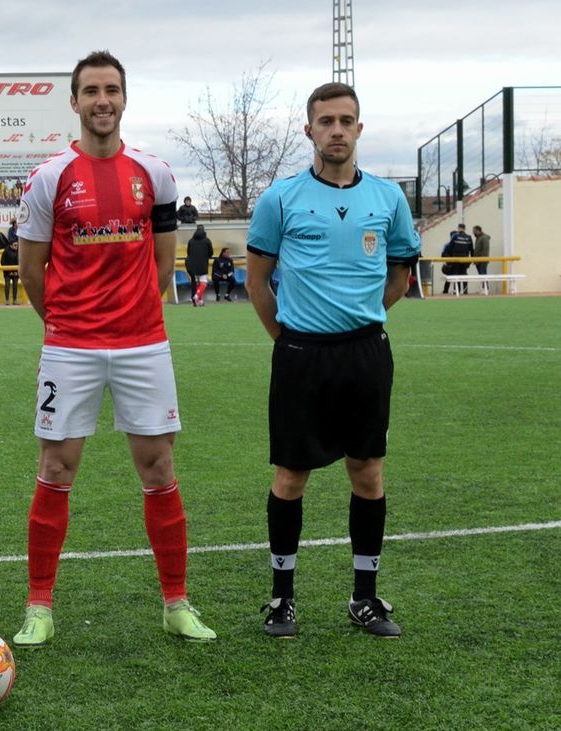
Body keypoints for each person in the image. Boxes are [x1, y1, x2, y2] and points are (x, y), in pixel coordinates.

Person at [11, 50, 216, 649]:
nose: (103, 101)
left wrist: (133, 320)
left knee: (158, 467)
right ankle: (39, 606)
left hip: (143, 345)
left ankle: (176, 603)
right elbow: (31, 271)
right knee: (56, 469)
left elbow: (161, 263)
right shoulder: (49, 177)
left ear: (124, 99)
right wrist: (70, 324)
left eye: (112, 90)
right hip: (70, 346)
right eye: (91, 91)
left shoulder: (155, 174)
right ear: (74, 102)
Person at [245, 81, 419, 639]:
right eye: (326, 121)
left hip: (366, 353)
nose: (336, 130)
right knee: (291, 475)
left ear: (359, 129)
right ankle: (282, 598)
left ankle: (364, 597)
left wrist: (362, 315)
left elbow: (400, 275)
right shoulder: (280, 198)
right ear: (309, 129)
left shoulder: (389, 198)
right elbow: (256, 279)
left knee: (367, 472)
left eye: (346, 121)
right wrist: (287, 335)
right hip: (302, 355)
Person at [184, 225, 213, 306]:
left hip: (192, 265)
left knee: (196, 283)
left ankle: (199, 301)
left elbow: (188, 252)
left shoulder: (191, 241)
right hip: (203, 264)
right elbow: (211, 252)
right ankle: (196, 295)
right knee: (203, 282)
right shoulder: (207, 241)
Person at [441, 224, 473, 294]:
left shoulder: (455, 237)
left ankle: (457, 290)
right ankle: (465, 291)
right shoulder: (469, 237)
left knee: (456, 274)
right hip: (465, 259)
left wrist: (449, 258)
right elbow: (471, 249)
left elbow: (449, 247)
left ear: (459, 228)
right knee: (464, 274)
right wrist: (472, 259)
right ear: (465, 228)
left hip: (456, 259)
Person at [472, 225, 491, 291]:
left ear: (478, 231)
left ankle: (485, 288)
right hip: (478, 260)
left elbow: (485, 249)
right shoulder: (478, 238)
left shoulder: (484, 238)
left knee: (483, 274)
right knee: (481, 275)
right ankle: (484, 288)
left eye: (474, 231)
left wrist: (482, 259)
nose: (473, 233)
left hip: (482, 260)